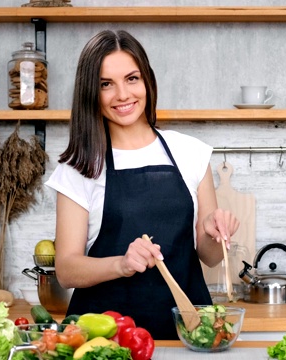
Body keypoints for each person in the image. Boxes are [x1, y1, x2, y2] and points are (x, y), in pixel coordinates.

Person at [44, 29, 240, 340]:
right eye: (106, 84)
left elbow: (210, 256)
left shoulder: (191, 153)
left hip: (187, 335)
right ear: (90, 93)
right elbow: (66, 270)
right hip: (103, 341)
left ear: (147, 80)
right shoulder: (79, 167)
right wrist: (121, 264)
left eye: (132, 78)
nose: (122, 95)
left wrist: (217, 232)